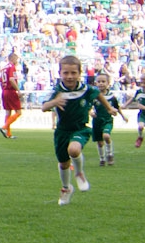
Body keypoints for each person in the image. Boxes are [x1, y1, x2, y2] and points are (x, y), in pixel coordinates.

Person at [40, 55, 116, 205]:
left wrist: (109, 108)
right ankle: (66, 188)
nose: (69, 76)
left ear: (79, 73)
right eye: (66, 73)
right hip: (62, 131)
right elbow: (44, 107)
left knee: (74, 150)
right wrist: (55, 102)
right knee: (63, 164)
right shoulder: (57, 90)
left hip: (80, 129)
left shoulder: (86, 89)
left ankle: (79, 173)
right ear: (60, 73)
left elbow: (98, 95)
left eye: (73, 73)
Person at [90, 71, 124, 167]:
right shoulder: (93, 96)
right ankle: (102, 158)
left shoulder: (111, 97)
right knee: (100, 142)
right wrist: (90, 112)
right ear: (96, 83)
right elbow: (88, 107)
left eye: (103, 81)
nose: (101, 83)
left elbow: (117, 107)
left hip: (107, 120)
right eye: (99, 81)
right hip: (97, 121)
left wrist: (123, 116)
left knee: (106, 136)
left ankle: (110, 154)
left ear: (108, 84)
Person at [0, 51, 25, 139]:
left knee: (8, 112)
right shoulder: (11, 67)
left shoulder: (4, 68)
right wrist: (18, 90)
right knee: (18, 112)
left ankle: (8, 134)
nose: (17, 61)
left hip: (4, 91)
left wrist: (4, 89)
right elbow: (11, 79)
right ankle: (4, 127)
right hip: (11, 91)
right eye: (16, 59)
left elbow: (0, 80)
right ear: (13, 59)